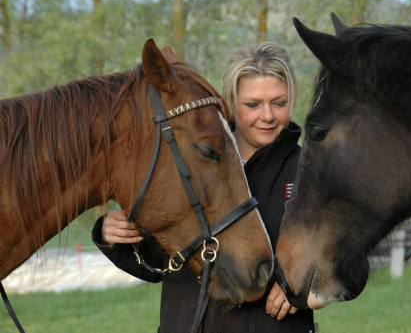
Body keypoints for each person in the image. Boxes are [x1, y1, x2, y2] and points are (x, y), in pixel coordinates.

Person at [92, 42, 315, 333]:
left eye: (279, 102)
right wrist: (115, 236)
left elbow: (349, 263)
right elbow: (158, 262)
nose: (268, 116)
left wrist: (303, 285)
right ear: (231, 101)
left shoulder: (310, 173)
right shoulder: (189, 161)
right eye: (252, 104)